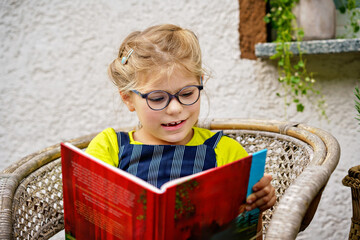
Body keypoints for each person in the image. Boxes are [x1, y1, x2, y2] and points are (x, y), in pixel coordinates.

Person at [86, 24, 275, 214]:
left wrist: (257, 204)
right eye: (157, 98)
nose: (175, 108)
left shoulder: (226, 152)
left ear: (200, 83)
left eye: (186, 93)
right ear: (128, 98)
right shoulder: (109, 147)